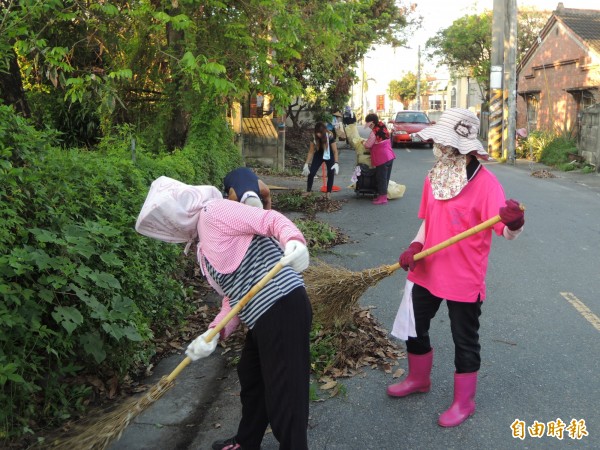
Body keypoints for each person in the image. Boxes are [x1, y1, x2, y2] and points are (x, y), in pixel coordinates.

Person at [387, 108, 526, 427]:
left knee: (464, 339)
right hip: (428, 269)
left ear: (464, 147)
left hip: (464, 277)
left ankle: (465, 402)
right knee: (415, 325)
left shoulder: (488, 185)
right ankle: (419, 379)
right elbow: (428, 222)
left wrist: (515, 221)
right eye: (439, 142)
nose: (440, 148)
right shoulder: (434, 175)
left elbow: (506, 231)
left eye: (445, 144)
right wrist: (416, 245)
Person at [185, 192, 312, 449]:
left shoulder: (214, 212)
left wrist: (294, 240)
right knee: (251, 376)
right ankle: (246, 441)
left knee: (285, 395)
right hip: (262, 316)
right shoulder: (201, 243)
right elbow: (234, 297)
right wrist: (214, 333)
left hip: (282, 304)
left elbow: (269, 218)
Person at [363, 113, 396, 205]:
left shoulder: (374, 132)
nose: (369, 127)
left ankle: (383, 198)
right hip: (390, 156)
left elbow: (368, 145)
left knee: (381, 178)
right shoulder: (382, 126)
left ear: (372, 123)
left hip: (382, 158)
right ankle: (382, 195)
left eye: (369, 125)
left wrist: (363, 143)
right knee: (386, 178)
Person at [302, 121, 339, 199]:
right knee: (311, 173)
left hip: (329, 154)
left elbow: (335, 151)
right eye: (317, 132)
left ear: (324, 131)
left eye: (320, 133)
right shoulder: (313, 137)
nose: (318, 134)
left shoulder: (330, 136)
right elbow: (311, 151)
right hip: (319, 154)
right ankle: (308, 191)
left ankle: (328, 192)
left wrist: (336, 162)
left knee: (331, 173)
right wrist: (306, 164)